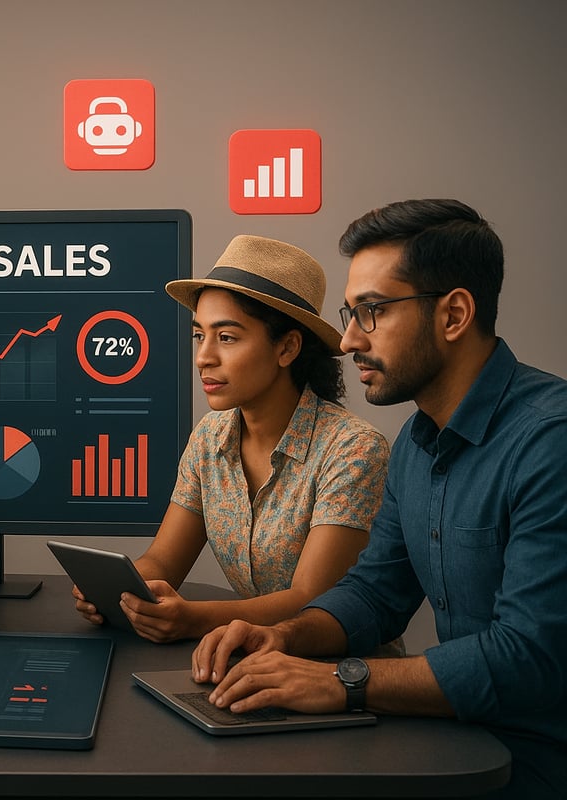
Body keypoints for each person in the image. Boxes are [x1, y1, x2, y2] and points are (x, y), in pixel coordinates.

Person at [192, 200, 567, 798]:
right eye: (351, 313)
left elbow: (528, 660)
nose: (345, 341)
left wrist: (343, 679)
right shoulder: (418, 443)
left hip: (532, 761)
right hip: (457, 740)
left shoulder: (551, 441)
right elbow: (374, 593)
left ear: (454, 315)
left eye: (372, 312)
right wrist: (286, 638)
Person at [73, 235, 390, 643]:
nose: (204, 356)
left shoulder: (353, 449)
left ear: (288, 347)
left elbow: (312, 599)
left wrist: (194, 619)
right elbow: (163, 560)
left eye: (226, 337)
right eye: (199, 335)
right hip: (242, 660)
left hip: (340, 672)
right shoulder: (210, 436)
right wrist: (123, 590)